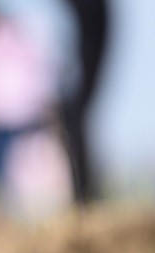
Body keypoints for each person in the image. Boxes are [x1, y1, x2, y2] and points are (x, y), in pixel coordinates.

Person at [58, 0, 110, 204]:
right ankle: (83, 198)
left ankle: (84, 198)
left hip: (85, 38)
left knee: (73, 116)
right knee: (71, 117)